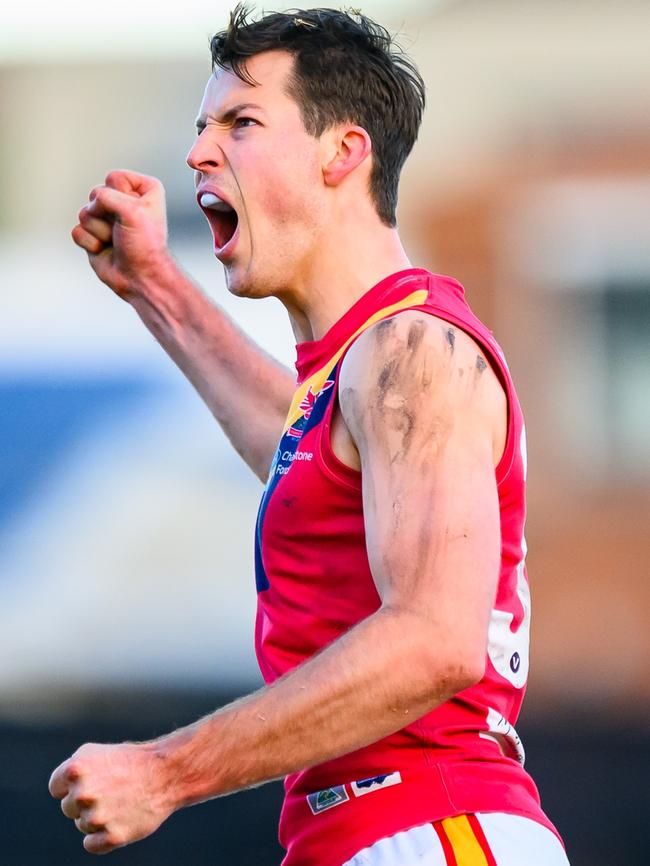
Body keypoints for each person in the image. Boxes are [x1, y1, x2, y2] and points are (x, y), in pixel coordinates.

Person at [49, 6, 571, 865]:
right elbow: (296, 451)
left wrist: (164, 771)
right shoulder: (358, 366)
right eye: (202, 126)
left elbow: (436, 640)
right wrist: (156, 288)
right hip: (379, 831)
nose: (198, 153)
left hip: (433, 828)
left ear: (343, 153)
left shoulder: (414, 349)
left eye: (241, 123)